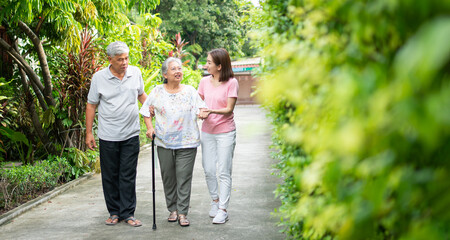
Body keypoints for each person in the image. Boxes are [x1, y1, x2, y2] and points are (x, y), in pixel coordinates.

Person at [140, 57, 207, 227]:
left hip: (187, 142)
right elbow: (145, 111)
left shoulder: (190, 91)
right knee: (168, 178)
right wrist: (149, 128)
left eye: (179, 68)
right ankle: (173, 209)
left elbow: (202, 107)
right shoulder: (156, 91)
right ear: (165, 74)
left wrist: (203, 113)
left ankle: (183, 213)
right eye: (173, 69)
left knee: (183, 178)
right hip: (164, 142)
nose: (178, 71)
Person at [85, 41, 146, 227]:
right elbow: (91, 105)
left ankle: (128, 213)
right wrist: (89, 133)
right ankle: (114, 212)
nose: (125, 62)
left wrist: (154, 112)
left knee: (128, 175)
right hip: (108, 135)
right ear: (109, 59)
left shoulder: (135, 73)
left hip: (131, 134)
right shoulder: (99, 78)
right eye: (120, 59)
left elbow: (142, 96)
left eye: (127, 58)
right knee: (110, 175)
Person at [198, 48, 239, 224]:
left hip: (225, 132)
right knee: (208, 169)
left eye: (209, 63)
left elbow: (229, 109)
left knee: (224, 171)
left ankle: (223, 209)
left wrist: (210, 111)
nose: (206, 65)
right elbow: (197, 103)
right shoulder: (203, 82)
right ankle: (214, 201)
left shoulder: (232, 82)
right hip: (207, 131)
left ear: (220, 66)